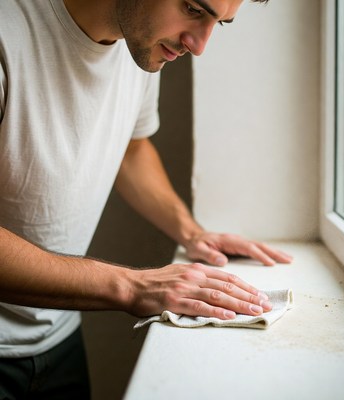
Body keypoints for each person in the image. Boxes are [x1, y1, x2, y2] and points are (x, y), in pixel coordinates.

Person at [0, 0, 292, 398]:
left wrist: (190, 233)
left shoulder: (141, 40)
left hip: (58, 336)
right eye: (192, 8)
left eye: (218, 24)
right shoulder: (8, 31)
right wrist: (132, 287)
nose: (200, 44)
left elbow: (131, 147)